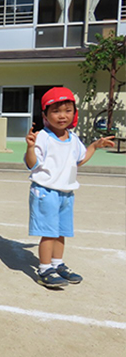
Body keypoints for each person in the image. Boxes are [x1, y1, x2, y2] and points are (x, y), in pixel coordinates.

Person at [25, 87, 114, 289]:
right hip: (46, 191)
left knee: (61, 231)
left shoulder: (73, 138)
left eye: (67, 110)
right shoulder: (42, 137)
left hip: (66, 193)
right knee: (49, 232)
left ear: (74, 113)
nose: (62, 115)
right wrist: (30, 147)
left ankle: (57, 263)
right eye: (56, 111)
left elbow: (79, 160)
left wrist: (94, 146)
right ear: (45, 115)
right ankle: (44, 269)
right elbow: (32, 164)